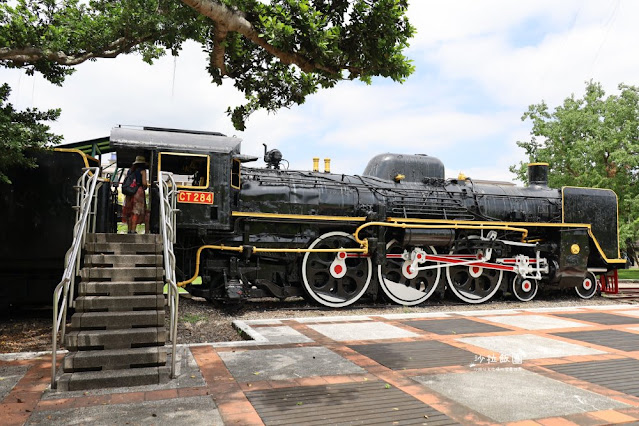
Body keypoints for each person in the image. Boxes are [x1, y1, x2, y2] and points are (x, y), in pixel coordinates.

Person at [122, 155, 148, 234]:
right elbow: (144, 183)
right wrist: (145, 186)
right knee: (136, 211)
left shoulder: (130, 170)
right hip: (138, 192)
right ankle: (133, 230)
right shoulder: (143, 171)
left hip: (130, 192)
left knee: (129, 211)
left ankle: (129, 229)